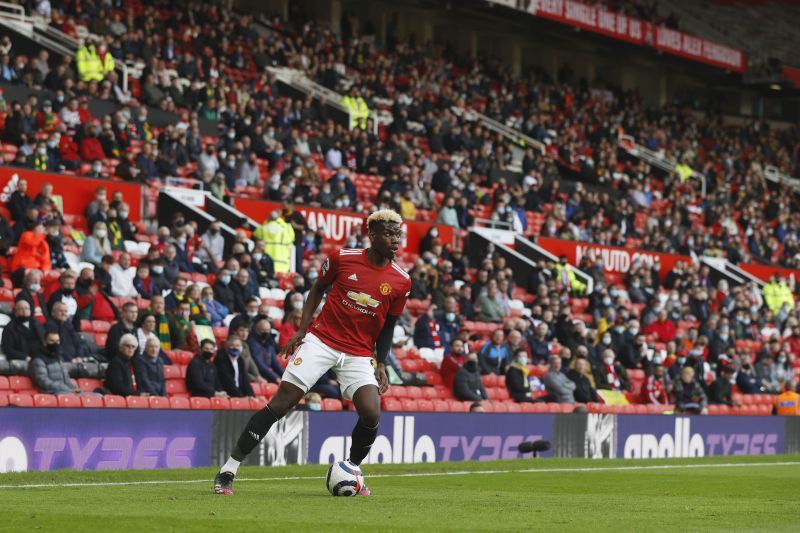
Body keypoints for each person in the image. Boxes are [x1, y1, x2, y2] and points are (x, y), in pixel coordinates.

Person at [214, 210, 410, 496]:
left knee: (371, 413)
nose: (396, 240)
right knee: (281, 405)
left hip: (358, 353)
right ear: (372, 234)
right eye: (389, 233)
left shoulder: (402, 280)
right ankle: (228, 470)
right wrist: (303, 329)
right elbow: (317, 289)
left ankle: (352, 470)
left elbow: (389, 326)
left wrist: (381, 362)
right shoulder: (343, 257)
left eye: (398, 234)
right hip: (322, 341)